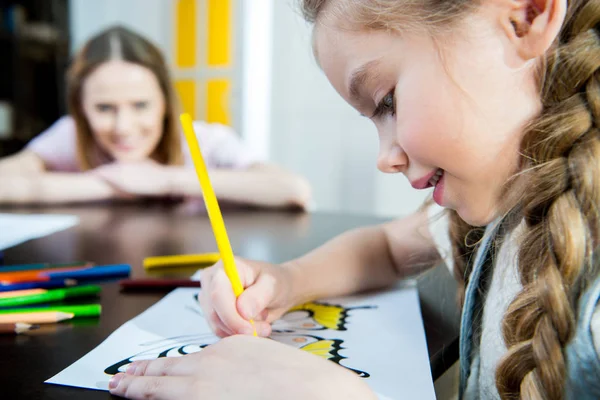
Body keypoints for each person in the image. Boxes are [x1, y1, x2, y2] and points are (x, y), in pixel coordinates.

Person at [108, 0, 600, 399]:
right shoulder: (515, 194)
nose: (385, 157)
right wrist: (287, 281)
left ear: (526, 14)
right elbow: (387, 248)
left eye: (386, 101)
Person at [0, 26, 311, 210]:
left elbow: (293, 189)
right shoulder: (70, 134)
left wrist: (164, 180)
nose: (124, 127)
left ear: (165, 102)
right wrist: (111, 183)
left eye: (140, 105)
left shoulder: (205, 140)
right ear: (81, 109)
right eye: (105, 109)